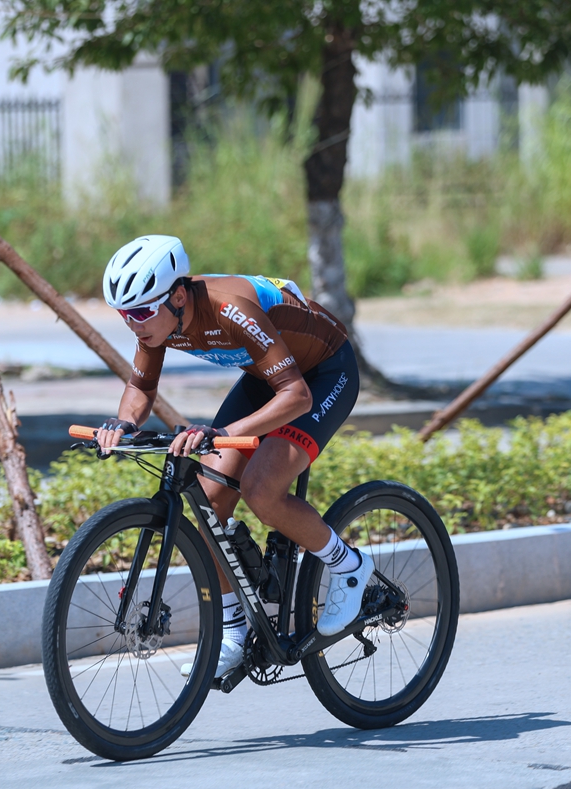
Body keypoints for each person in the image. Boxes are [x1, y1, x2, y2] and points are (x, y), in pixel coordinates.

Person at [93, 235, 370, 677]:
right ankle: (235, 630)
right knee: (207, 505)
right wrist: (122, 425)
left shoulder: (229, 309)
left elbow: (296, 396)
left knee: (263, 489)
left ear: (178, 296)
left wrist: (222, 433)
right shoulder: (158, 320)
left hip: (322, 374)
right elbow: (141, 388)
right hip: (268, 378)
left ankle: (349, 566)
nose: (133, 324)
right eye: (124, 314)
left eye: (141, 312)